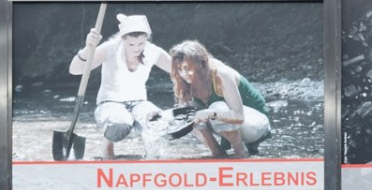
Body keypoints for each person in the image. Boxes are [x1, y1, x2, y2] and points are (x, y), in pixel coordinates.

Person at [69, 13, 172, 159]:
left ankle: (152, 158)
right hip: (109, 104)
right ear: (122, 39)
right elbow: (75, 70)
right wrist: (88, 48)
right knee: (120, 123)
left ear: (146, 39)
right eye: (131, 44)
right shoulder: (110, 48)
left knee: (158, 121)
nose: (136, 49)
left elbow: (179, 69)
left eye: (141, 44)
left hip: (140, 103)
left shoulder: (152, 51)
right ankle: (107, 150)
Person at [168, 40, 271, 158]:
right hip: (225, 123)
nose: (183, 73)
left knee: (217, 107)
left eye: (187, 68)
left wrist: (211, 113)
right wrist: (161, 118)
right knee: (188, 114)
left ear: (200, 63)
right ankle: (217, 153)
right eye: (179, 69)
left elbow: (239, 116)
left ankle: (240, 153)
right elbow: (183, 118)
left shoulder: (221, 74)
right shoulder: (185, 82)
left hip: (255, 124)